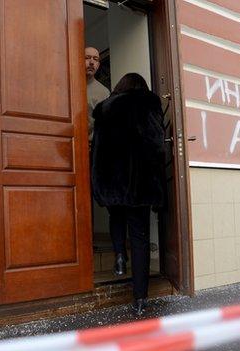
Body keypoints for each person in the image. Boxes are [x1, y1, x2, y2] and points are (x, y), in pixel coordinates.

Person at [91, 73, 167, 316]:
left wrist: (99, 182)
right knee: (140, 236)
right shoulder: (150, 103)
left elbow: (98, 150)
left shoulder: (105, 109)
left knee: (116, 217)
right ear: (142, 87)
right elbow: (157, 145)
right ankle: (140, 298)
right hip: (140, 183)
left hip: (113, 180)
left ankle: (120, 256)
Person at [85, 47, 110, 145]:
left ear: (98, 65)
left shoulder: (103, 92)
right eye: (87, 58)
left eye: (95, 59)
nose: (91, 62)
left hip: (92, 147)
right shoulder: (67, 87)